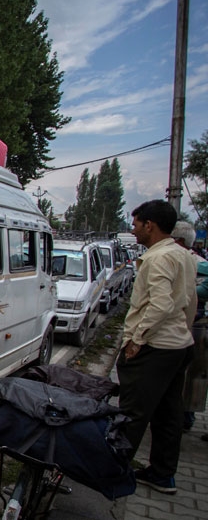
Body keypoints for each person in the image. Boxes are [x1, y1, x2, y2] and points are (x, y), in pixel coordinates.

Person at [116, 200, 196, 494]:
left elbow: (160, 304)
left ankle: (114, 471)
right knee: (168, 415)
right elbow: (189, 301)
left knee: (132, 414)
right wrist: (184, 333)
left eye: (136, 224)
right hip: (178, 345)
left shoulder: (157, 258)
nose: (133, 230)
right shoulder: (183, 254)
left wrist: (137, 339)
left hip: (156, 347)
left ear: (150, 224)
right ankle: (162, 474)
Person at [170, 222, 208, 434]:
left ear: (179, 241)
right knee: (190, 377)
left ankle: (183, 418)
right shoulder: (195, 261)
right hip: (189, 327)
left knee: (190, 377)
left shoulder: (194, 263)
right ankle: (183, 418)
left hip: (193, 327)